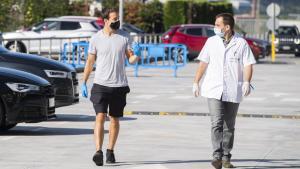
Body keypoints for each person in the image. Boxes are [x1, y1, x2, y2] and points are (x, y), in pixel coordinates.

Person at [193, 13, 256, 169]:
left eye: (218, 25)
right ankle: (217, 156)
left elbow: (248, 64)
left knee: (229, 126)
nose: (215, 28)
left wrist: (247, 82)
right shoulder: (211, 42)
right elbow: (203, 63)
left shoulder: (241, 43)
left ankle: (226, 158)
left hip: (233, 88)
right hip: (213, 88)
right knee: (216, 123)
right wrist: (196, 82)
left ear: (227, 27)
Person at [81, 8, 140, 166]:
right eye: (113, 19)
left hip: (119, 85)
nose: (117, 21)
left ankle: (110, 150)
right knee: (100, 116)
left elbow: (131, 57)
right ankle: (98, 151)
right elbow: (90, 62)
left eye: (117, 18)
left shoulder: (125, 36)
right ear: (105, 21)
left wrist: (136, 56)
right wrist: (84, 82)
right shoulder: (95, 39)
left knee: (114, 119)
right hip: (100, 84)